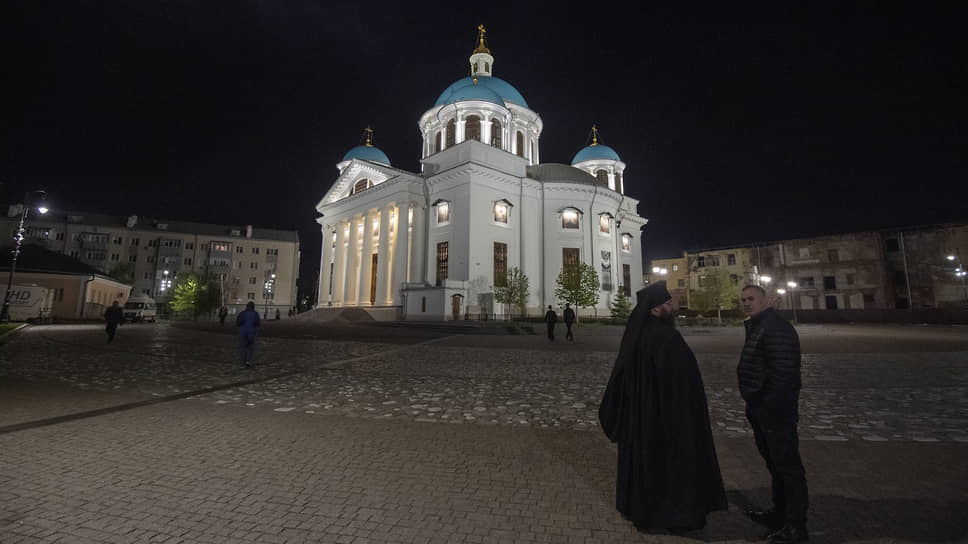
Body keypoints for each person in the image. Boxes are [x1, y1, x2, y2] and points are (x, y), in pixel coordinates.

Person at [599, 281, 727, 533]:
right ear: (656, 309)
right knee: (667, 464)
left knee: (643, 461)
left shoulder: (638, 335)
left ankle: (638, 507)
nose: (673, 306)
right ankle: (670, 514)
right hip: (665, 415)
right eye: (668, 303)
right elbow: (681, 382)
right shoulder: (666, 337)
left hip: (641, 414)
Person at [738, 285, 808, 544]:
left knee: (788, 469)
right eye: (743, 299)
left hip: (776, 413)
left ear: (765, 301)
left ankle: (796, 527)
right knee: (776, 466)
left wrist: (767, 405)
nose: (746, 303)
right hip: (762, 410)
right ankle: (781, 513)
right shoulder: (759, 325)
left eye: (752, 299)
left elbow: (784, 374)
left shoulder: (776, 328)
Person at [236, 301, 261, 368]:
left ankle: (242, 363)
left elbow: (238, 323)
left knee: (243, 348)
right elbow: (257, 324)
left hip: (243, 332)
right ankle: (248, 361)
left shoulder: (242, 313)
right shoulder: (255, 314)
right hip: (251, 333)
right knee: (250, 348)